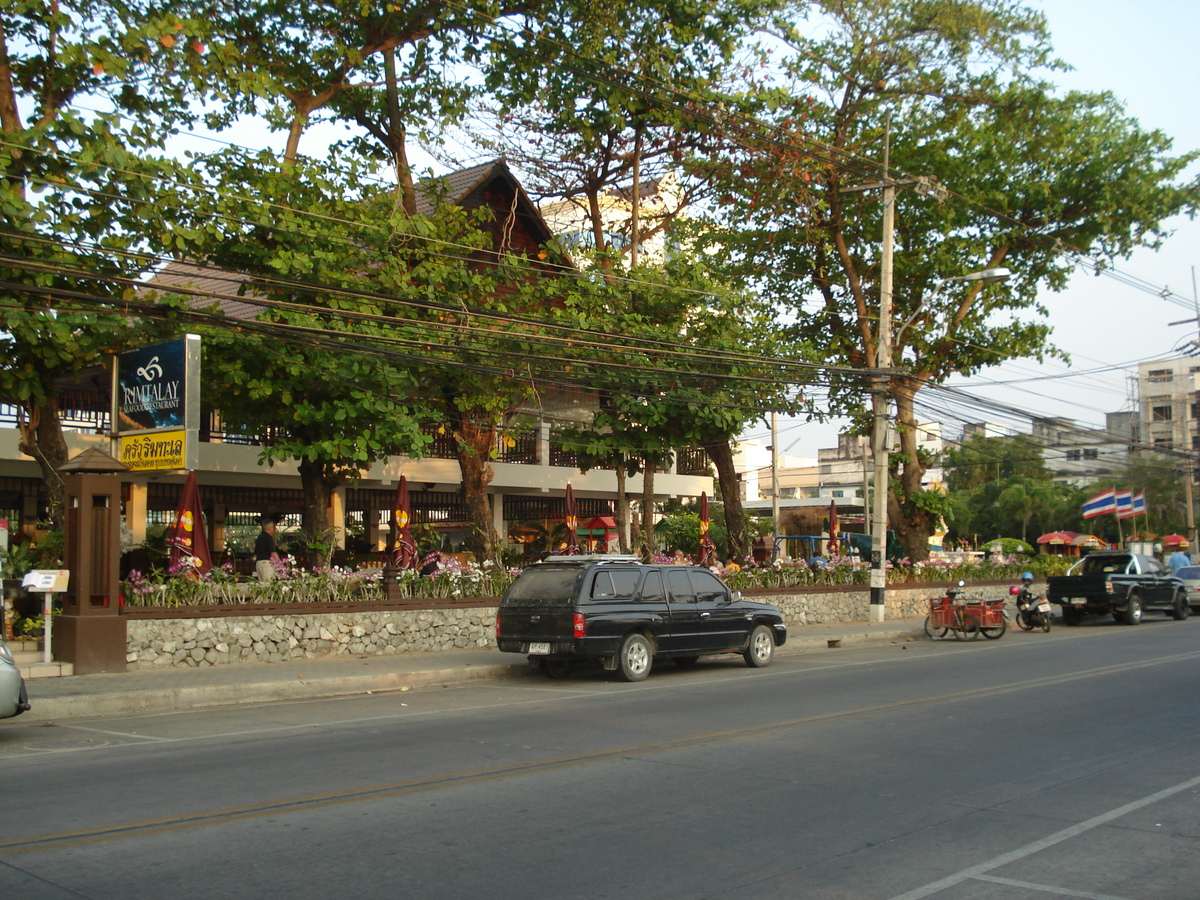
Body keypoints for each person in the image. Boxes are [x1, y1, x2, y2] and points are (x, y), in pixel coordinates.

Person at [255, 515, 281, 582]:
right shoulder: (268, 538)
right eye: (273, 527)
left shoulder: (259, 537)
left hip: (258, 563)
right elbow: (273, 553)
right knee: (268, 585)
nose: (274, 529)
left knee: (262, 585)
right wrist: (280, 564)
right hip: (266, 563)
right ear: (269, 528)